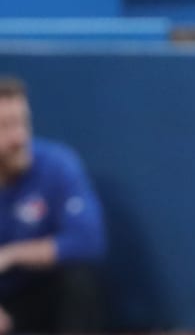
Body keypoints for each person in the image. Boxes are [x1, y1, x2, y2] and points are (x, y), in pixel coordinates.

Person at [0, 77, 106, 335]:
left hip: (33, 295)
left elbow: (88, 240)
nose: (19, 137)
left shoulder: (56, 164)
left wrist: (11, 255)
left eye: (22, 122)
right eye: (5, 126)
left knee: (78, 280)